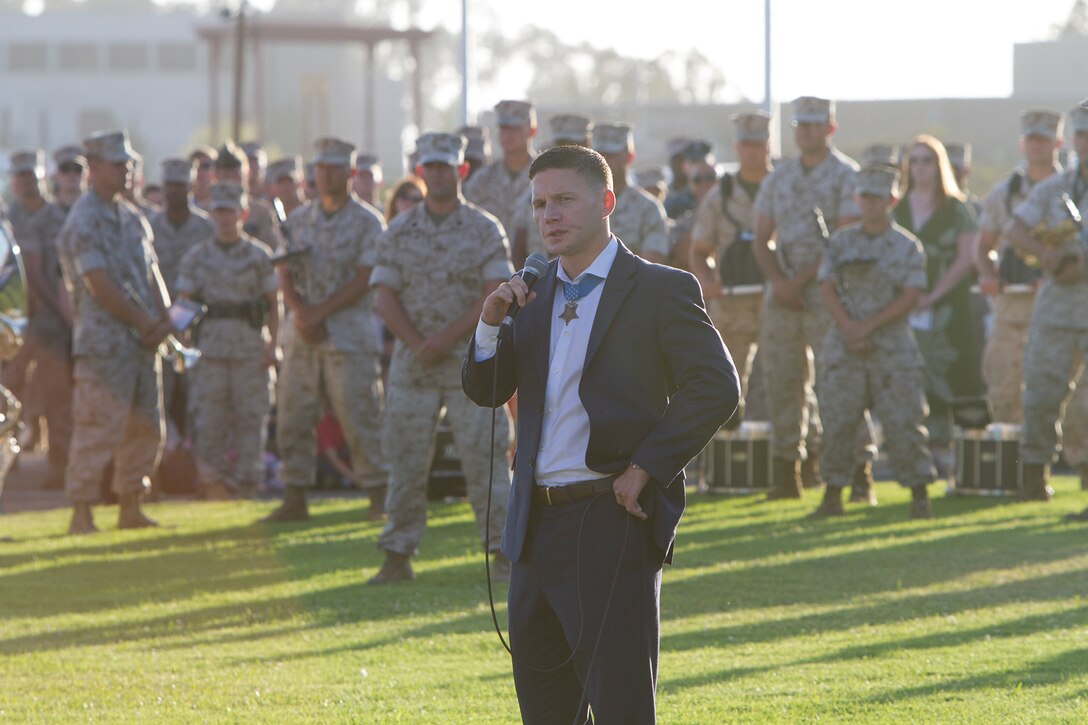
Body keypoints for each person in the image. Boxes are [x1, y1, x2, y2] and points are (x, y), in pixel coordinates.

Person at [462, 144, 738, 723]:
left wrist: (646, 467)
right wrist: (488, 326)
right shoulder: (530, 294)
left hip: (609, 519)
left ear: (607, 201)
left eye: (564, 200)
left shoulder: (660, 288)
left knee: (620, 708)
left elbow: (716, 387)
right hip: (532, 529)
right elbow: (487, 390)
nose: (550, 216)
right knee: (545, 714)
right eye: (540, 204)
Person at [368, 131, 514, 584]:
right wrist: (418, 343)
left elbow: (495, 291)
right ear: (419, 171)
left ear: (461, 170)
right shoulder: (399, 230)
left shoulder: (484, 228)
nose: (436, 174)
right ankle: (397, 554)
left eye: (444, 167)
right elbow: (383, 294)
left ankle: (504, 553)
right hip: (415, 366)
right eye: (429, 167)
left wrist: (445, 338)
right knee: (406, 460)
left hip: (472, 363)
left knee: (486, 457)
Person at [261, 137, 389, 522]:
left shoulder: (368, 222)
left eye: (335, 168)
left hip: (349, 334)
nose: (327, 175)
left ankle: (378, 495)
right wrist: (302, 313)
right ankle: (295, 496)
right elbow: (285, 269)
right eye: (321, 168)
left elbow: (366, 275)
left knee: (361, 416)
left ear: (350, 173)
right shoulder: (298, 220)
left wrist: (320, 312)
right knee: (293, 416)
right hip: (302, 335)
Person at [753, 96, 873, 499]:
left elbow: (842, 238)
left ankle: (859, 470)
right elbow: (761, 237)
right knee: (782, 382)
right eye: (800, 125)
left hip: (830, 294)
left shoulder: (846, 176)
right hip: (783, 296)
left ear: (830, 128)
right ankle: (787, 470)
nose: (805, 132)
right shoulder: (779, 178)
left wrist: (798, 282)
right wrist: (779, 283)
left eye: (814, 125)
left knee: (839, 381)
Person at [56, 129, 170, 534]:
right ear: (95, 167)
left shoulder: (131, 216)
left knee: (146, 427)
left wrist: (165, 317)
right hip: (105, 346)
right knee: (97, 428)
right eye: (118, 164)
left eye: (128, 163)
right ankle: (82, 511)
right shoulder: (84, 219)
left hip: (142, 345)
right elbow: (98, 283)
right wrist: (144, 321)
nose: (126, 170)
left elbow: (152, 272)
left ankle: (131, 505)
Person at [812, 165, 937, 518]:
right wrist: (850, 328)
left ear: (892, 200)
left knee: (904, 421)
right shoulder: (840, 243)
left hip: (892, 346)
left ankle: (919, 495)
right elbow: (827, 287)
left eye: (877, 197)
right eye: (864, 196)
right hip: (844, 345)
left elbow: (911, 294)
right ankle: (833, 494)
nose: (869, 203)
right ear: (856, 199)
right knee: (838, 422)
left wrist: (867, 327)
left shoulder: (906, 246)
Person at [1005, 102, 1088, 499]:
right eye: (1082, 135)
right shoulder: (1056, 187)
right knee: (1039, 393)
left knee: (1086, 406)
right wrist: (1046, 254)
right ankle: (1034, 477)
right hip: (1055, 308)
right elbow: (1015, 229)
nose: (1086, 143)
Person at [176, 182, 278, 499]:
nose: (224, 218)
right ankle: (213, 483)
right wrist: (182, 344)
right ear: (211, 215)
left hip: (249, 346)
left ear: (243, 214)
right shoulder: (197, 257)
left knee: (251, 417)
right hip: (210, 348)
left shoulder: (259, 256)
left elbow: (274, 304)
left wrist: (273, 344)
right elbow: (184, 303)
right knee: (209, 419)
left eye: (230, 211)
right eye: (219, 211)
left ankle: (249, 482)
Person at [893, 135, 981, 468]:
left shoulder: (957, 209)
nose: (920, 167)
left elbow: (966, 258)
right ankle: (921, 448)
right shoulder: (896, 208)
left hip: (947, 306)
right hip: (904, 307)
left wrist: (933, 295)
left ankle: (966, 451)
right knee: (913, 371)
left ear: (939, 165)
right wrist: (910, 295)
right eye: (914, 160)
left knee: (954, 369)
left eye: (927, 160)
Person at [976, 110, 1065, 425]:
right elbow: (983, 246)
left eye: (1044, 139)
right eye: (1031, 139)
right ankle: (1013, 454)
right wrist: (989, 274)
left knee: (1060, 391)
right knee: (1004, 388)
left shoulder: (1073, 190)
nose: (1037, 146)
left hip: (1062, 308)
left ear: (1058, 143)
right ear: (1022, 144)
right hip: (1012, 308)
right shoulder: (1004, 193)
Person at [691, 111, 774, 426]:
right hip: (731, 303)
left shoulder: (785, 189)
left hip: (777, 301)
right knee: (726, 386)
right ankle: (725, 451)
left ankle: (790, 451)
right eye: (745, 144)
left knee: (786, 383)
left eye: (758, 143)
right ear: (736, 147)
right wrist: (708, 283)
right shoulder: (720, 196)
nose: (751, 151)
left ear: (768, 145)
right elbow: (699, 250)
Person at [9, 149, 71, 488]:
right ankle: (8, 459)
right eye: (21, 177)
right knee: (9, 390)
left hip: (49, 323)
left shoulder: (57, 217)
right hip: (13, 323)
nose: (27, 183)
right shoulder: (8, 218)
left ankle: (59, 463)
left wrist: (60, 310)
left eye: (31, 177)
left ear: (41, 178)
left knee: (56, 394)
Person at [148, 158, 215, 459]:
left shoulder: (206, 227)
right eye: (170, 185)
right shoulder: (149, 226)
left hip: (199, 329)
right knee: (159, 399)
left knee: (200, 402)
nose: (175, 191)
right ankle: (162, 466)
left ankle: (197, 465)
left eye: (180, 185)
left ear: (190, 186)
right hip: (158, 328)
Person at [511, 113, 594, 265]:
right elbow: (518, 245)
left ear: (588, 147)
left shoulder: (597, 192)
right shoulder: (534, 194)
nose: (567, 153)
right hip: (542, 276)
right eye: (561, 146)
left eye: (573, 146)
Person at [463, 100, 537, 265]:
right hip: (490, 268)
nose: (508, 135)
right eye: (504, 128)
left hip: (536, 271)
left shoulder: (545, 176)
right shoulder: (481, 180)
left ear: (532, 130)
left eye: (515, 128)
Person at [591, 122, 670, 264]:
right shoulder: (579, 203)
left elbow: (651, 264)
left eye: (611, 155)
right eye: (599, 155)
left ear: (629, 157)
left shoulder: (648, 208)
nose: (604, 161)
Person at [211, 141, 282, 251]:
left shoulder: (261, 212)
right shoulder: (205, 212)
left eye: (235, 176)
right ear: (215, 177)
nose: (230, 183)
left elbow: (273, 251)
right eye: (225, 177)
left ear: (247, 175)